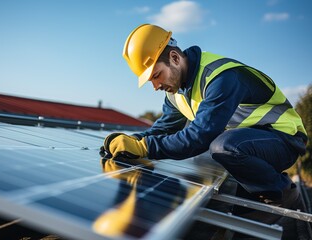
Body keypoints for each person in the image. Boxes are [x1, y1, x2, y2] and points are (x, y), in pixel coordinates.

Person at [102, 23, 307, 214]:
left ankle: (281, 194)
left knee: (221, 147)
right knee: (213, 153)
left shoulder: (221, 78)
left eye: (156, 75)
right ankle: (253, 193)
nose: (155, 86)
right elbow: (162, 129)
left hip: (284, 139)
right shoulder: (175, 92)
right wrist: (132, 140)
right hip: (249, 142)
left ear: (174, 58)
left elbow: (200, 136)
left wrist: (144, 148)